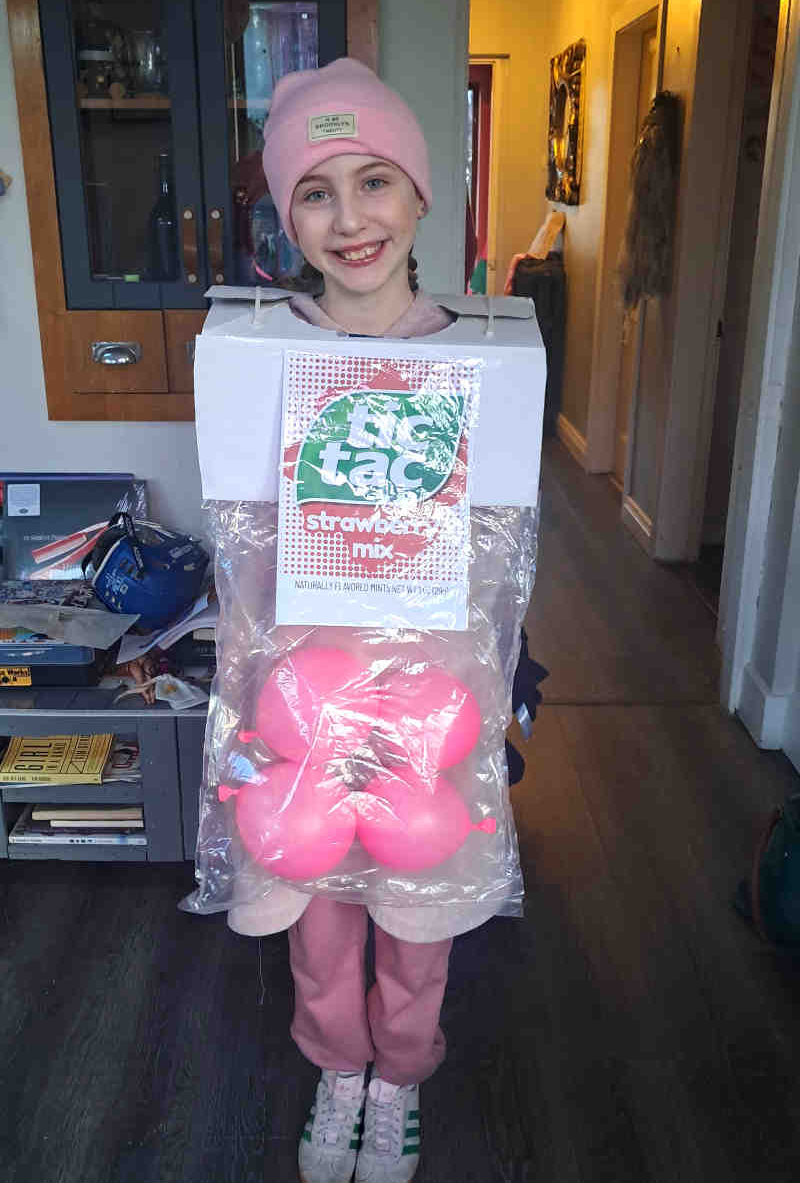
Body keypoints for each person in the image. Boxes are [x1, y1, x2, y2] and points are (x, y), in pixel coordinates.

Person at [234, 58, 526, 1183]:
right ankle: (337, 1066)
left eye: (374, 181)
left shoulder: (483, 358)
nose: (349, 217)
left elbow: (502, 557)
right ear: (284, 212)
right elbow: (241, 539)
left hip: (430, 709)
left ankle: (397, 1074)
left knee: (418, 915)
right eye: (315, 189)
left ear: (419, 196)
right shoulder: (258, 352)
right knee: (315, 922)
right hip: (295, 702)